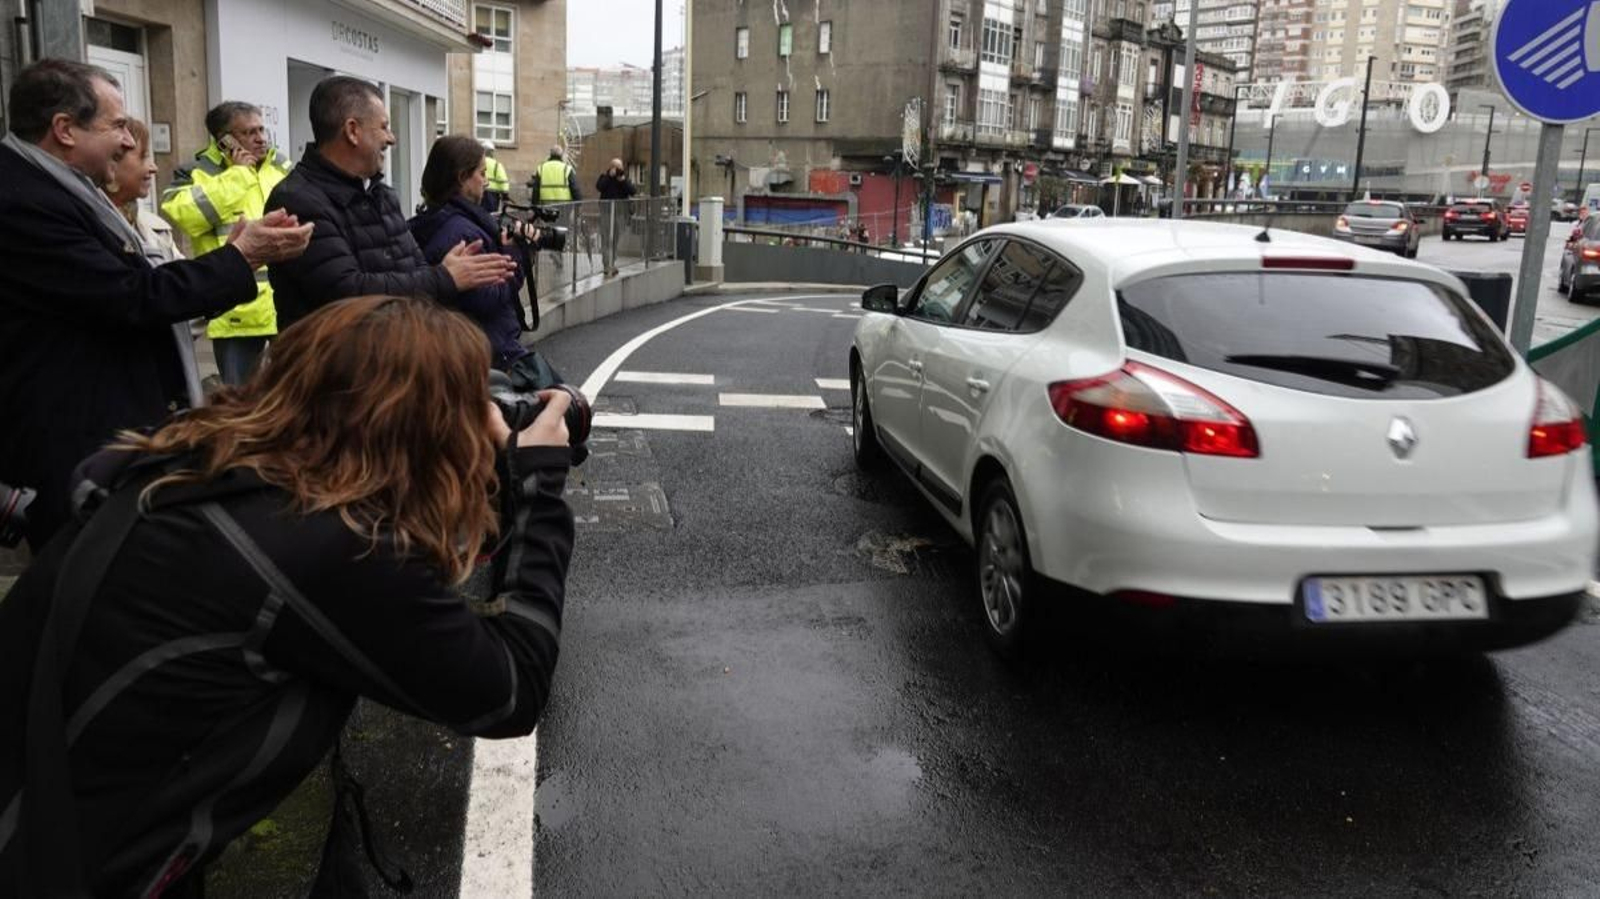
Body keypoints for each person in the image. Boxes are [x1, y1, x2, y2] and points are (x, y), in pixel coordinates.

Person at [0, 295, 576, 895]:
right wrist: (535, 484)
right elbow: (509, 690)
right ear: (419, 431)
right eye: (467, 408)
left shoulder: (196, 465)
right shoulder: (323, 550)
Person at [0, 58, 311, 550]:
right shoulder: (24, 202)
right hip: (75, 444)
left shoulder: (57, 186)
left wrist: (237, 256)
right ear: (63, 129)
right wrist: (243, 256)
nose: (130, 143)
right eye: (118, 126)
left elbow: (137, 283)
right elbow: (134, 295)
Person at [265, 75, 515, 330]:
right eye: (384, 127)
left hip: (394, 360)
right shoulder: (297, 201)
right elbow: (347, 294)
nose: (392, 139)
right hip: (333, 366)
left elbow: (416, 270)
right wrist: (444, 277)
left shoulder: (382, 196)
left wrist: (443, 272)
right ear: (352, 131)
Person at [162, 101, 292, 385]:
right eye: (249, 133)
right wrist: (240, 174)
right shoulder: (196, 172)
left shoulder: (280, 164)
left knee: (297, 392)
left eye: (262, 129)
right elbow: (187, 216)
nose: (261, 138)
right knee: (240, 401)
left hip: (285, 304)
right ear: (225, 141)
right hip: (236, 311)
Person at [104, 117, 204, 411]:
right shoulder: (91, 229)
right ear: (111, 165)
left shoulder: (155, 227)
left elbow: (186, 306)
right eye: (143, 157)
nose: (154, 167)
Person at [410, 136, 532, 371]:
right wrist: (515, 255)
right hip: (486, 356)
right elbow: (488, 297)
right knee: (565, 401)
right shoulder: (463, 233)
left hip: (467, 350)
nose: (486, 183)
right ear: (462, 178)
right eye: (482, 173)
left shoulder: (436, 220)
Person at [596, 159, 636, 276]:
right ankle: (607, 265)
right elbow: (599, 187)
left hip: (619, 214)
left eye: (620, 167)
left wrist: (623, 181)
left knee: (614, 240)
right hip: (606, 213)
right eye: (616, 167)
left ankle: (611, 263)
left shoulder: (623, 179)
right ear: (611, 167)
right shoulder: (604, 177)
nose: (618, 170)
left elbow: (633, 191)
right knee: (606, 239)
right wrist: (609, 176)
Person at [480, 139, 510, 213]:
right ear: (491, 152)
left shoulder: (477, 162)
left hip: (479, 191)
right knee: (492, 215)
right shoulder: (497, 165)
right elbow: (503, 181)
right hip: (492, 195)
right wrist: (505, 195)